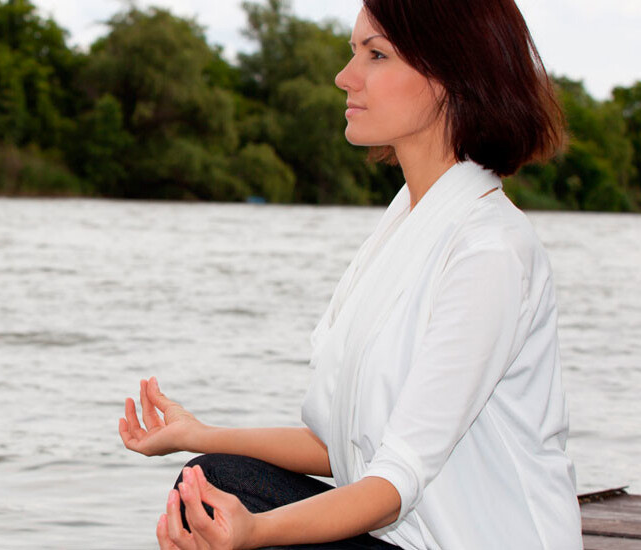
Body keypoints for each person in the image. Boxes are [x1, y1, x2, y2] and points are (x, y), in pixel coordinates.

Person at [117, 1, 584, 548]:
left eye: (377, 54)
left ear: (450, 77)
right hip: (406, 536)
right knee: (211, 480)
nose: (346, 77)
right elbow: (345, 448)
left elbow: (393, 482)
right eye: (354, 52)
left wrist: (256, 533)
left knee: (220, 496)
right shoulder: (409, 220)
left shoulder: (490, 251)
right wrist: (197, 433)